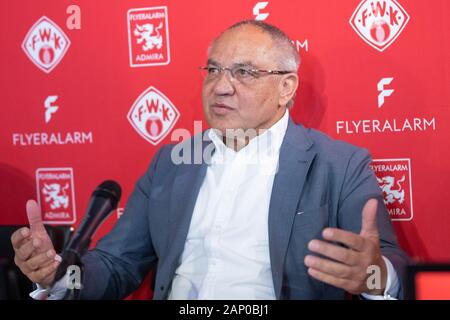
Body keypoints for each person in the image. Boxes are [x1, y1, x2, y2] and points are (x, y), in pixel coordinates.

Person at [11, 20, 409, 300]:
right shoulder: (171, 161)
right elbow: (116, 264)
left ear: (286, 87)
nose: (221, 86)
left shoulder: (339, 164)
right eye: (213, 70)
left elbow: (390, 266)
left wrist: (373, 277)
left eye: (244, 73)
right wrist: (61, 274)